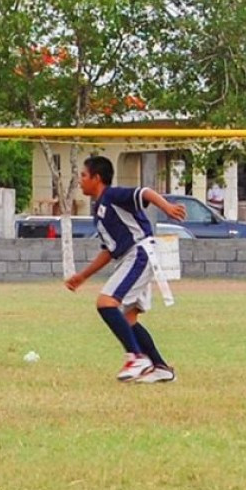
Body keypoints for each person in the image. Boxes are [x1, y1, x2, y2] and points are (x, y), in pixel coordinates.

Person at [64, 155, 187, 383]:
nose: (79, 180)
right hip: (130, 257)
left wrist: (167, 207)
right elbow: (109, 250)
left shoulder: (112, 195)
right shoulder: (99, 209)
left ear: (96, 178)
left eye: (83, 175)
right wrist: (82, 277)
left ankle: (136, 357)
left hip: (139, 253)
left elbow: (145, 192)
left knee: (106, 303)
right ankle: (161, 368)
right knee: (129, 319)